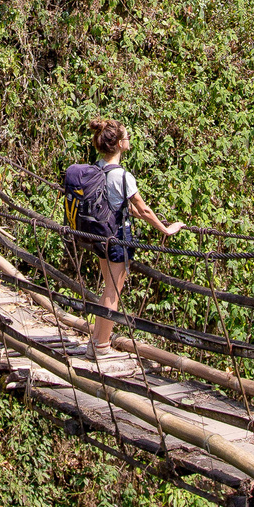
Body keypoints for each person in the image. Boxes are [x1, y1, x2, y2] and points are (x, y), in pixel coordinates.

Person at [71, 120, 184, 353]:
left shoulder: (97, 168)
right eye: (128, 137)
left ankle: (96, 340)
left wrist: (142, 217)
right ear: (121, 144)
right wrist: (165, 229)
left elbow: (119, 205)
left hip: (101, 236)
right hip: (118, 237)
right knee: (113, 291)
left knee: (107, 288)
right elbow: (142, 209)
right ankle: (101, 345)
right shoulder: (123, 176)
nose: (129, 140)